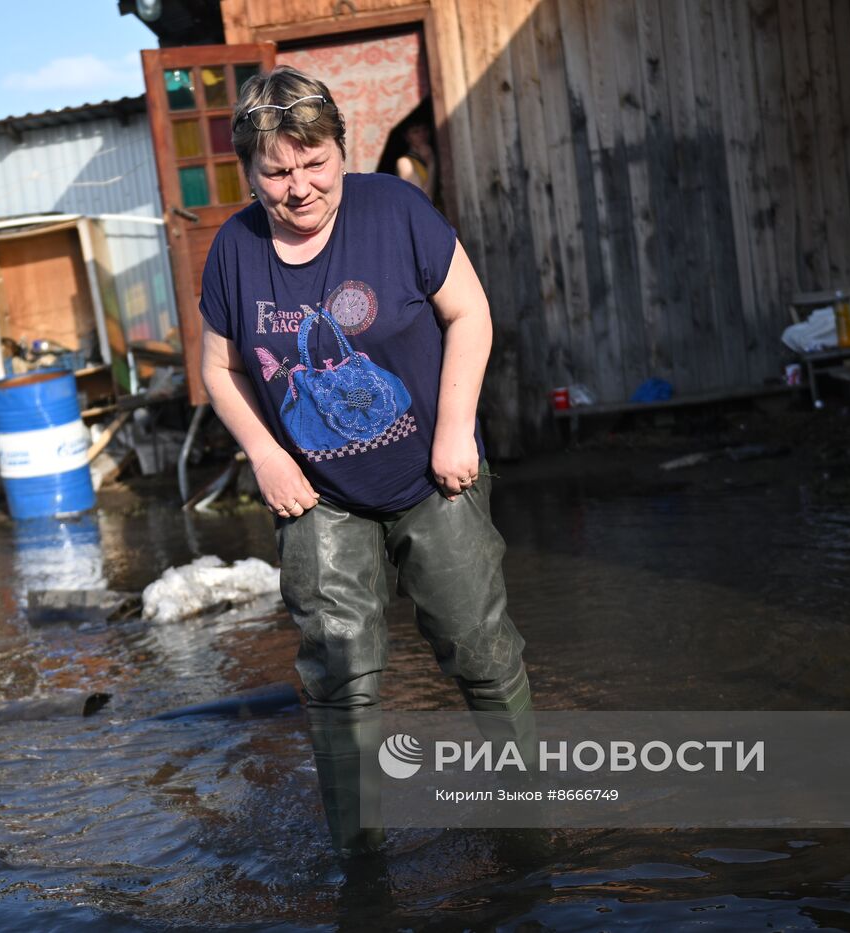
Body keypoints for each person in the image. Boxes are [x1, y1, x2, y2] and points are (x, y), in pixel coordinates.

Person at [198, 66, 532, 856]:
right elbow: (219, 367)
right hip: (318, 494)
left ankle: (527, 830)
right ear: (250, 172)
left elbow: (470, 312)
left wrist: (457, 427)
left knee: (479, 648)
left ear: (340, 149)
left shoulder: (395, 210)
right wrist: (266, 454)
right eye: (276, 172)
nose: (299, 187)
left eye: (315, 163)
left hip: (432, 474)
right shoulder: (235, 250)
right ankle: (362, 862)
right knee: (338, 676)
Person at [394, 121, 436, 201]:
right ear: (407, 137)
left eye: (425, 129)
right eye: (415, 132)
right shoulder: (405, 162)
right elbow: (422, 200)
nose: (422, 135)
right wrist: (431, 163)